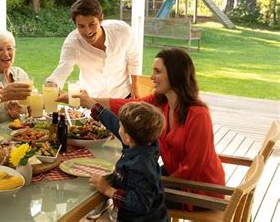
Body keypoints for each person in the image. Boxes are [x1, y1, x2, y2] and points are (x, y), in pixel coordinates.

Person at [78, 48, 225, 211]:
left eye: (157, 71)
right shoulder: (160, 102)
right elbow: (128, 106)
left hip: (199, 190)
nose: (151, 77)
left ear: (175, 75)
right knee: (128, 184)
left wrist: (156, 181)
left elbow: (192, 166)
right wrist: (88, 101)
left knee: (132, 196)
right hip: (173, 178)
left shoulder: (198, 114)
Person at [45, 0, 141, 98]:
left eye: (92, 24)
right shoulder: (72, 43)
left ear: (100, 20)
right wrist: (52, 84)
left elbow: (133, 59)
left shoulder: (122, 31)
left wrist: (135, 87)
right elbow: (63, 68)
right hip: (92, 100)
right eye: (81, 26)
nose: (87, 31)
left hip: (123, 95)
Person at [89, 102, 168, 221]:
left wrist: (109, 190)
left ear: (128, 138)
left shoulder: (141, 165)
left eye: (121, 126)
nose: (118, 128)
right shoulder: (144, 146)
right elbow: (114, 123)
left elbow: (140, 203)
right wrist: (97, 109)